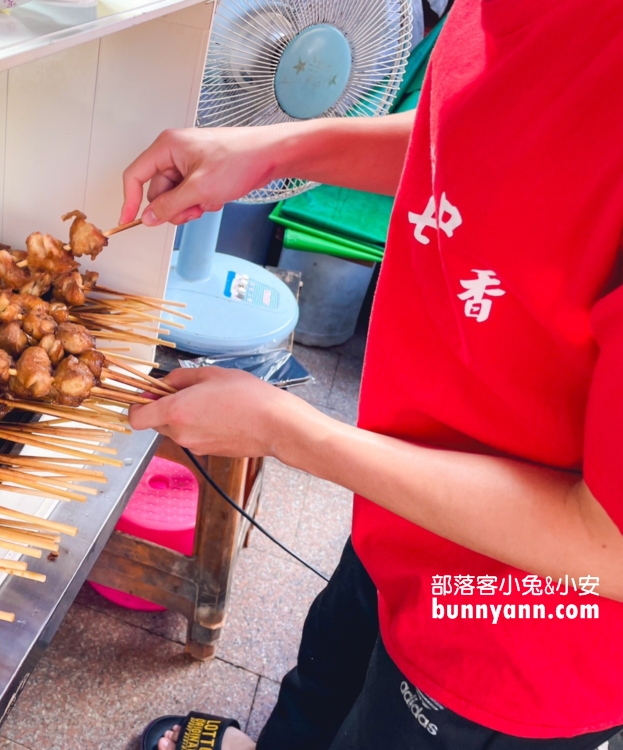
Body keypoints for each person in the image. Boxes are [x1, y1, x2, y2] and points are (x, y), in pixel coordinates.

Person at [121, 1, 623, 749]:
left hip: (517, 631)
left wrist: (284, 431)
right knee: (322, 683)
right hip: (403, 504)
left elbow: (607, 547)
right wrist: (277, 149)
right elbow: (472, 144)